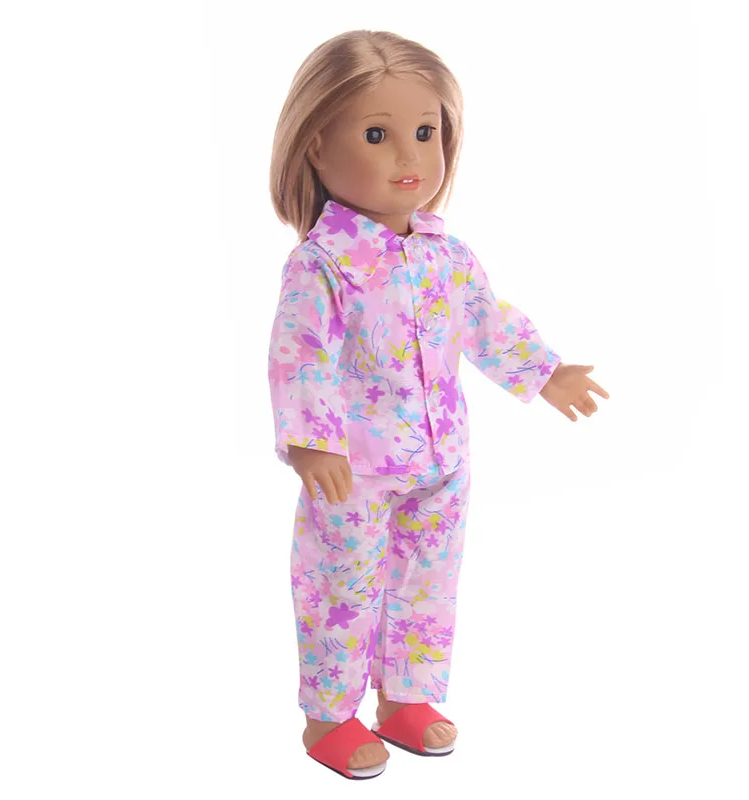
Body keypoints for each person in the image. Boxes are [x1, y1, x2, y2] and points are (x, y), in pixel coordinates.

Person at [267, 29, 610, 780]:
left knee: (427, 581)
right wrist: (312, 442)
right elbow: (300, 357)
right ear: (316, 146)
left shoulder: (444, 254)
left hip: (442, 459)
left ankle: (407, 698)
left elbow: (486, 320)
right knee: (340, 586)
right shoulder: (321, 266)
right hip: (353, 469)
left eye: (426, 133)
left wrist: (545, 372)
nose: (410, 156)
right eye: (377, 135)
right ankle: (328, 715)